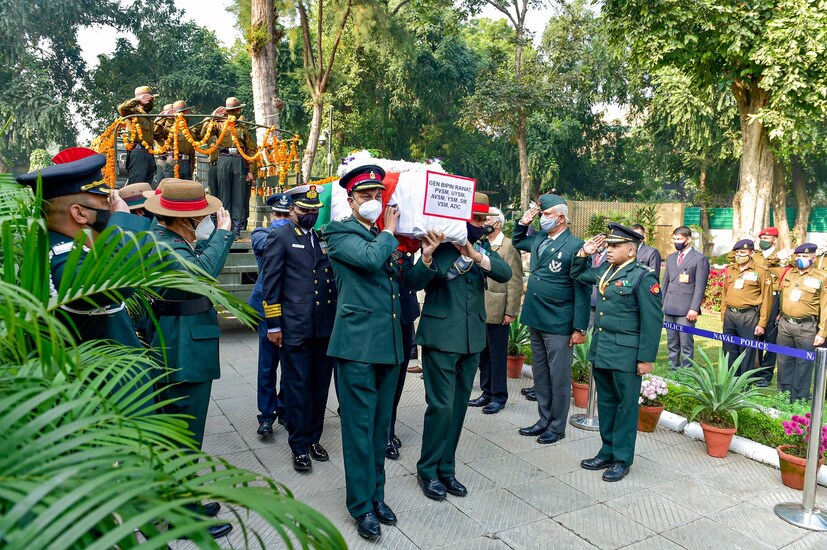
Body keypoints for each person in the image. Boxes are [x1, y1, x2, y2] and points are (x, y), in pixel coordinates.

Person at [324, 164, 439, 541]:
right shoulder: (340, 233)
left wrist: (425, 256)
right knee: (358, 429)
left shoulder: (385, 239)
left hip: (389, 348)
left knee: (379, 429)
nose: (373, 202)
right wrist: (389, 231)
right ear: (351, 199)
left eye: (378, 195)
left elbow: (406, 282)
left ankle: (377, 496)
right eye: (365, 196)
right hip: (357, 348)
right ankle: (360, 506)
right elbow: (371, 260)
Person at [143, 180, 235, 538]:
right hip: (184, 349)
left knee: (176, 432)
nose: (204, 222)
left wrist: (214, 238)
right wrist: (225, 234)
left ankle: (180, 500)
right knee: (185, 435)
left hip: (177, 342)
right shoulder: (169, 246)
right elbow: (202, 273)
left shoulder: (166, 239)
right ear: (186, 222)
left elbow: (194, 256)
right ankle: (184, 516)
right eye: (200, 218)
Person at [410, 192, 512, 500]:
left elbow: (504, 273)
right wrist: (428, 256)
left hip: (471, 340)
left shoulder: (479, 248)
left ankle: (447, 469)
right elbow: (414, 281)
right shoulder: (438, 246)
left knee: (457, 410)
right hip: (441, 339)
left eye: (484, 220)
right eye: (476, 220)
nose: (481, 226)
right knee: (441, 407)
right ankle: (427, 470)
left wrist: (476, 255)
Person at [572, 224, 663, 482]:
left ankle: (622, 459)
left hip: (626, 354)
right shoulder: (607, 269)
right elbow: (579, 275)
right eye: (608, 245)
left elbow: (652, 321)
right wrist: (583, 253)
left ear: (631, 250)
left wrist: (646, 358)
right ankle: (607, 451)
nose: (608, 250)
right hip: (603, 349)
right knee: (608, 404)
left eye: (615, 246)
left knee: (625, 408)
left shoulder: (644, 278)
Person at [261, 185, 336, 472]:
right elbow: (271, 285)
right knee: (297, 387)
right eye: (305, 210)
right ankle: (298, 445)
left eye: (314, 212)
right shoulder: (279, 236)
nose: (310, 215)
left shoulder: (320, 238)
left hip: (322, 327)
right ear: (292, 210)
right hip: (294, 326)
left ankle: (314, 438)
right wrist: (274, 325)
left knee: (319, 388)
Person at [512, 194, 590, 445]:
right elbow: (518, 241)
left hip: (559, 320)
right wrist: (523, 223)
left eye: (545, 214)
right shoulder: (539, 239)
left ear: (561, 217)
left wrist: (579, 327)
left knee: (558, 377)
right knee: (541, 374)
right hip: (536, 316)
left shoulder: (574, 246)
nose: (542, 218)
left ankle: (557, 426)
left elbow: (582, 288)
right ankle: (543, 419)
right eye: (541, 214)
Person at [468, 207, 524, 414]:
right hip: (480, 308)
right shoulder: (480, 242)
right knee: (483, 354)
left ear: (498, 223)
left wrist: (510, 311)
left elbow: (515, 280)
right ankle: (486, 392)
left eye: (487, 219)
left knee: (497, 356)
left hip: (498, 309)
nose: (484, 222)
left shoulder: (508, 246)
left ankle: (498, 396)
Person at [249, 193, 291, 436]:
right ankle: (266, 415)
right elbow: (268, 245)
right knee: (267, 364)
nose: (282, 219)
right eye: (278, 215)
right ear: (271, 216)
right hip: (268, 308)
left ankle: (284, 409)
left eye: (287, 215)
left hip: (292, 309)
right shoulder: (260, 234)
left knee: (290, 363)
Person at [772, 243, 827, 402]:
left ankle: (799, 399)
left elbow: (825, 306)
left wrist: (822, 332)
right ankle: (783, 396)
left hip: (807, 327)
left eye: (805, 256)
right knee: (783, 361)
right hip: (785, 325)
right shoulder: (789, 272)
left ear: (813, 258)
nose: (801, 259)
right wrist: (781, 255)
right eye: (799, 256)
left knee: (804, 364)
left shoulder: (821, 277)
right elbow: (768, 265)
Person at [386, 237, 422, 460]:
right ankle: (384, 433)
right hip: (385, 320)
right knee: (386, 380)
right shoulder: (381, 239)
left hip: (405, 317)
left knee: (398, 379)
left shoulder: (408, 245)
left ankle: (389, 428)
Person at [721, 239, 773, 375]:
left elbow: (767, 298)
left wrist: (762, 323)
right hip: (730, 315)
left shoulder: (761, 271)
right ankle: (729, 381)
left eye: (743, 252)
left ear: (751, 253)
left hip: (748, 316)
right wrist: (723, 315)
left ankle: (743, 385)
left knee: (747, 352)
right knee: (728, 350)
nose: (739, 255)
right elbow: (725, 293)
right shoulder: (730, 269)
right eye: (737, 252)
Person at [661, 226, 710, 370]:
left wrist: (694, 308)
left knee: (686, 343)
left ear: (688, 239)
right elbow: (665, 284)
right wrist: (661, 304)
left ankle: (686, 373)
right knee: (672, 342)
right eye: (675, 239)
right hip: (670, 307)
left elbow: (700, 287)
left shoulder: (699, 259)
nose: (677, 242)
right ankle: (673, 370)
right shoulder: (670, 258)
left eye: (680, 239)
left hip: (686, 309)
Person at [210, 97, 258, 237]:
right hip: (223, 159)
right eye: (232, 110)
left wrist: (251, 171)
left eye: (235, 110)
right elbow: (204, 134)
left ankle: (236, 228)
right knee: (224, 195)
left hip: (239, 159)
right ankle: (224, 226)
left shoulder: (243, 127)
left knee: (239, 194)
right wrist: (213, 118)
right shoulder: (218, 124)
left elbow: (251, 149)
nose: (234, 113)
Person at [117, 86, 165, 184]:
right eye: (148, 98)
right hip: (138, 153)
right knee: (136, 185)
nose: (151, 101)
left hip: (149, 153)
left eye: (151, 99)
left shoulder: (148, 118)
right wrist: (138, 100)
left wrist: (162, 118)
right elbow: (121, 108)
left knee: (147, 185)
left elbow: (155, 134)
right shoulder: (132, 113)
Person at [754, 227, 781, 387]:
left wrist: (781, 310)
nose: (764, 240)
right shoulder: (755, 256)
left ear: (774, 240)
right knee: (755, 338)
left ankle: (766, 374)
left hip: (774, 300)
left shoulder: (782, 257)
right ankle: (754, 371)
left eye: (767, 238)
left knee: (770, 341)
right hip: (756, 300)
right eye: (762, 237)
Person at [160, 100, 197, 180]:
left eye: (187, 111)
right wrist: (164, 118)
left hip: (187, 163)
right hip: (174, 162)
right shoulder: (169, 128)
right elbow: (156, 132)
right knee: (171, 189)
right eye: (183, 112)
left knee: (185, 190)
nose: (187, 114)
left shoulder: (189, 131)